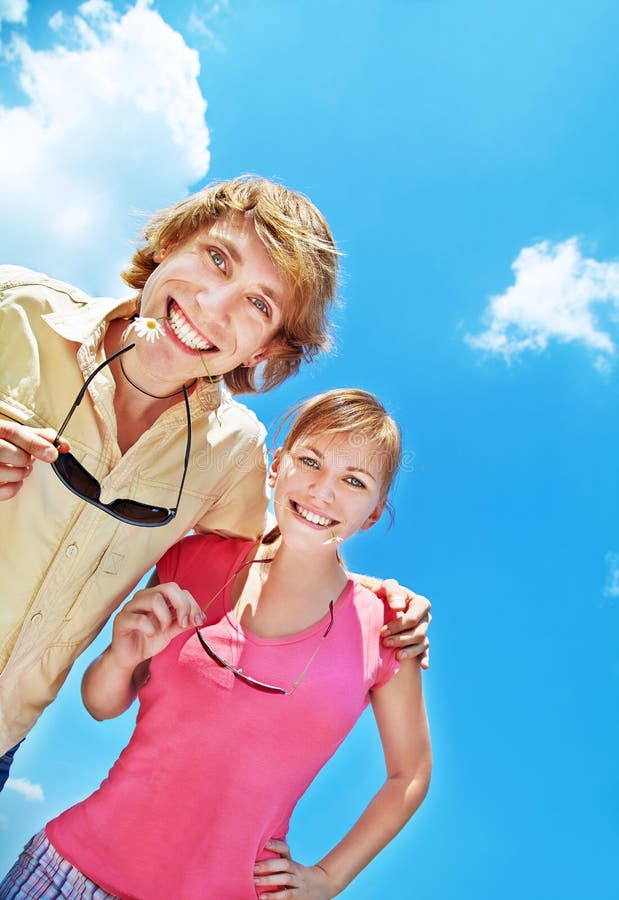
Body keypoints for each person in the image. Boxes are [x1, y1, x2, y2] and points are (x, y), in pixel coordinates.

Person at [0, 176, 431, 787]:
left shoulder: (232, 452)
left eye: (260, 304)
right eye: (217, 258)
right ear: (171, 241)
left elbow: (265, 556)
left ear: (267, 351)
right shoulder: (13, 308)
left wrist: (371, 596)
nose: (213, 305)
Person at [0, 389, 432, 899]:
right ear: (276, 466)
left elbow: (410, 772)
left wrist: (329, 878)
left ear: (373, 514)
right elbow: (101, 703)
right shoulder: (195, 558)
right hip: (66, 875)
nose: (322, 491)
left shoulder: (386, 627)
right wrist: (122, 655)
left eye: (353, 481)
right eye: (310, 461)